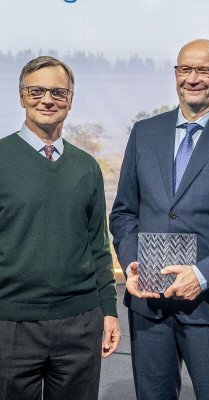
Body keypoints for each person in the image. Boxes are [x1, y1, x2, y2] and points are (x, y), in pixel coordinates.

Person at [110, 39, 209, 400]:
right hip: (149, 304)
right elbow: (123, 212)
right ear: (176, 74)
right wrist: (132, 264)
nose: (193, 78)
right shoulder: (144, 133)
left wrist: (201, 276)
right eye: (185, 69)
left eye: (204, 70)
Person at [0, 56, 121, 400]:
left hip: (80, 324)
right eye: (36, 91)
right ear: (21, 96)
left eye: (58, 92)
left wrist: (108, 310)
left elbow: (98, 247)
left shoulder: (87, 167)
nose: (47, 100)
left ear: (70, 99)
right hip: (10, 323)